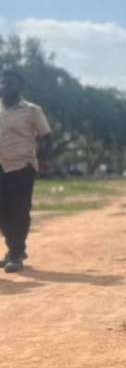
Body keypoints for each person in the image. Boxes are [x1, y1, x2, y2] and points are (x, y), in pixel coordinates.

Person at [0, 69, 52, 273]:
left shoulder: (32, 110)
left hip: (22, 167)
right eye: (2, 83)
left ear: (20, 87)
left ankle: (15, 253)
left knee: (19, 211)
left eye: (9, 83)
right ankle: (14, 249)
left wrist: (45, 161)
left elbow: (46, 138)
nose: (4, 87)